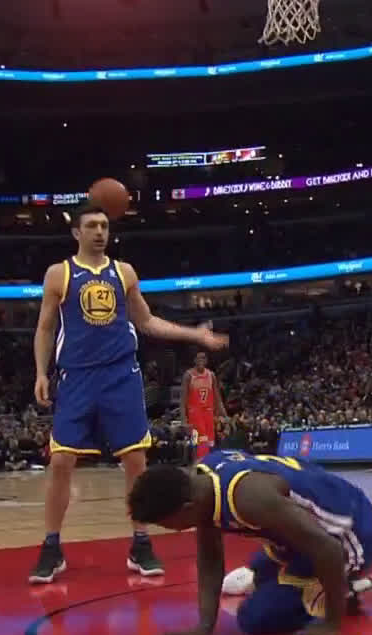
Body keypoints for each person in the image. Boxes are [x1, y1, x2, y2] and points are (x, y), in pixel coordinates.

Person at [29, 205, 228, 584]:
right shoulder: (59, 273)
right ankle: (51, 547)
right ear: (76, 233)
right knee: (61, 461)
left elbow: (147, 321)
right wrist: (41, 371)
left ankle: (141, 542)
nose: (100, 232)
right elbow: (45, 328)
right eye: (92, 226)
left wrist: (194, 334)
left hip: (121, 375)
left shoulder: (124, 272)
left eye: (104, 226)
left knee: (136, 460)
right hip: (77, 377)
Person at [127, 450, 372, 635]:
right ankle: (314, 585)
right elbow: (209, 557)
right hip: (301, 533)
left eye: (167, 524)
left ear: (186, 509)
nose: (172, 530)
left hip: (350, 534)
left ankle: (345, 592)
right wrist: (204, 627)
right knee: (258, 571)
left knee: (255, 618)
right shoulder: (202, 484)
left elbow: (328, 549)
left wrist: (331, 624)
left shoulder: (250, 498)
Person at [181, 351, 225, 460]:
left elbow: (217, 396)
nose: (201, 360)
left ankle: (204, 463)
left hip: (208, 413)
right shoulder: (188, 375)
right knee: (200, 440)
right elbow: (183, 400)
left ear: (206, 361)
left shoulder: (211, 375)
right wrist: (183, 420)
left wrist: (224, 413)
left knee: (209, 442)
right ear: (194, 360)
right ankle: (198, 464)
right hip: (195, 413)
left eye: (203, 358)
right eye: (199, 358)